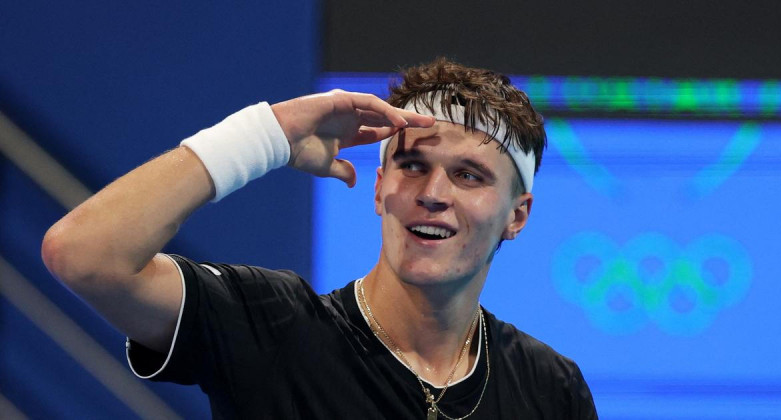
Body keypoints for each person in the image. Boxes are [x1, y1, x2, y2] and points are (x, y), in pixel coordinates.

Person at [42, 58, 597, 419]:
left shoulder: (550, 390)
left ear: (517, 215)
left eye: (468, 176)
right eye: (412, 166)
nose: (432, 193)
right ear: (379, 188)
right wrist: (266, 135)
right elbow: (84, 255)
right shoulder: (272, 325)